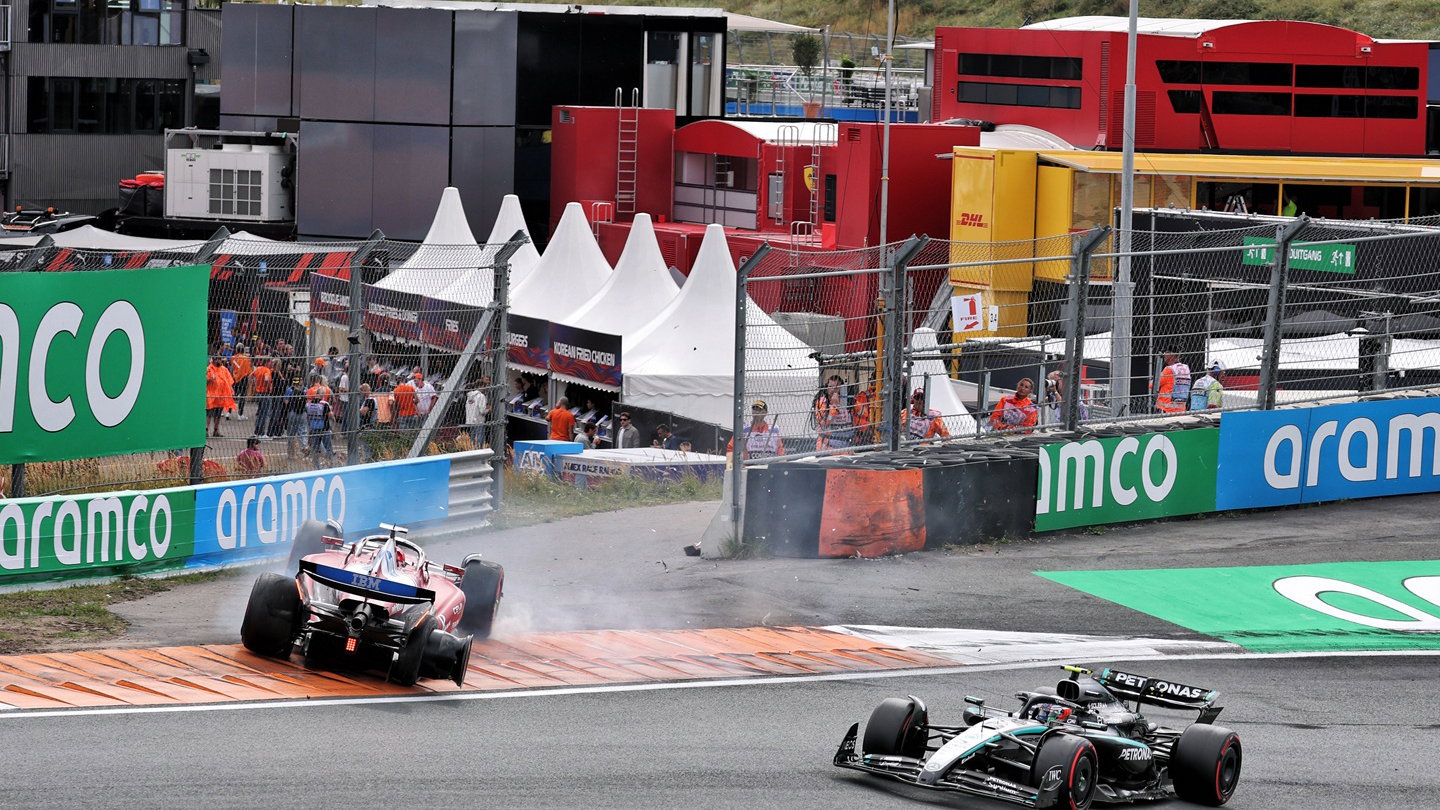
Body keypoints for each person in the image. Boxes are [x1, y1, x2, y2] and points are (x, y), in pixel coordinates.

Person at [814, 374, 856, 451]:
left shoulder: (849, 402)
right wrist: (834, 406)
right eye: (830, 387)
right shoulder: (822, 402)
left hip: (847, 446)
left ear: (842, 388)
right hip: (827, 447)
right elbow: (823, 423)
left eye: (836, 387)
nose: (833, 389)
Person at [205, 355, 235, 438]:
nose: (221, 361)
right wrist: (210, 380)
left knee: (218, 414)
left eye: (221, 359)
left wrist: (231, 389)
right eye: (219, 359)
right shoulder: (209, 369)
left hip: (221, 396)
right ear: (214, 360)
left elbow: (228, 380)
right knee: (209, 414)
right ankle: (206, 430)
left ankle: (216, 430)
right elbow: (203, 381)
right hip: (211, 396)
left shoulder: (224, 369)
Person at [305, 389, 336, 466]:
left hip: (314, 428)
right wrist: (334, 421)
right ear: (322, 395)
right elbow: (330, 415)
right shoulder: (324, 404)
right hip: (325, 428)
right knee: (328, 448)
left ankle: (316, 466)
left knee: (315, 449)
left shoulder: (309, 404)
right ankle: (330, 464)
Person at [1156, 347, 1191, 414]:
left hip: (1167, 410)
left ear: (1171, 354)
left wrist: (1152, 379)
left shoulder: (1169, 369)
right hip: (1181, 409)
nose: (1164, 355)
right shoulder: (1186, 368)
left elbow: (1153, 384)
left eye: (1166, 352)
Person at [251, 357, 275, 438]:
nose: (271, 364)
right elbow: (266, 379)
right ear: (267, 362)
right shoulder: (266, 370)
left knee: (260, 412)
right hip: (265, 393)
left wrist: (255, 384)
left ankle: (257, 431)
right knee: (264, 414)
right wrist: (268, 387)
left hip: (258, 392)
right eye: (270, 362)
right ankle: (261, 432)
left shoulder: (258, 369)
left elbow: (251, 375)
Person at [229, 344, 253, 421]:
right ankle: (240, 414)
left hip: (235, 378)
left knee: (232, 395)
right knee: (242, 396)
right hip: (243, 378)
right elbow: (248, 371)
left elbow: (232, 367)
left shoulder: (233, 358)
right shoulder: (246, 359)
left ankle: (228, 412)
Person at [465, 382, 488, 448]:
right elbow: (482, 411)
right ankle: (479, 448)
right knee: (480, 436)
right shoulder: (481, 396)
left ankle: (472, 448)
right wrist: (488, 409)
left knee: (472, 435)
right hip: (478, 419)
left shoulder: (470, 396)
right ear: (481, 386)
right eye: (485, 386)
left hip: (470, 419)